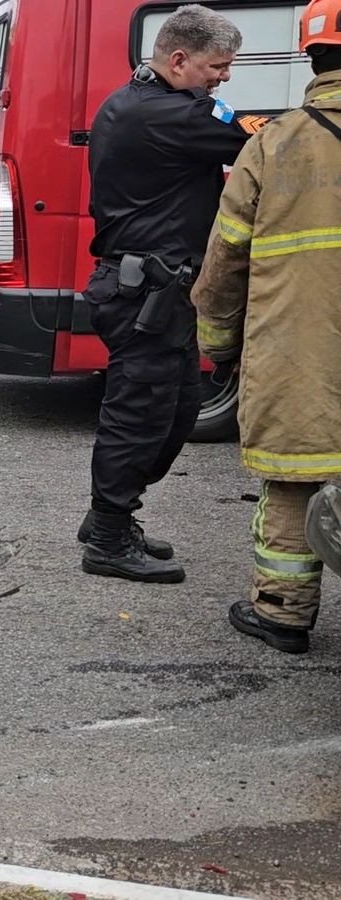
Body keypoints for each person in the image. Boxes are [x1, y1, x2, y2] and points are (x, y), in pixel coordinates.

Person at [77, 4, 262, 584]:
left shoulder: (135, 100)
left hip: (154, 291)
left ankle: (110, 515)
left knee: (178, 408)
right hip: (144, 294)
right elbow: (264, 144)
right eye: (217, 67)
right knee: (139, 416)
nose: (224, 77)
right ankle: (108, 536)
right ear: (178, 60)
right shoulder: (171, 114)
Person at [191, 0, 341, 654]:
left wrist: (219, 347)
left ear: (313, 57)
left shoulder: (273, 144)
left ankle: (281, 611)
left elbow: (224, 265)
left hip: (295, 355)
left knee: (294, 478)